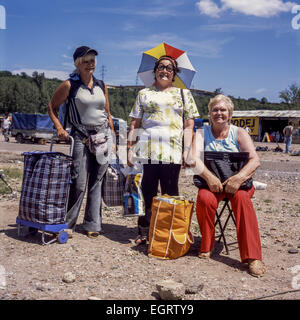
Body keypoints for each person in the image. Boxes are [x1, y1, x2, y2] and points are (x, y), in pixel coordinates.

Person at [127, 55, 199, 245]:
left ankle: (167, 231)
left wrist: (187, 150)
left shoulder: (184, 94)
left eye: (169, 68)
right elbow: (134, 123)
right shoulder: (144, 93)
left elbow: (189, 125)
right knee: (147, 191)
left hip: (172, 151)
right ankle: (144, 231)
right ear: (155, 70)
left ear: (174, 73)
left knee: (170, 192)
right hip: (147, 150)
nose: (165, 70)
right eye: (161, 66)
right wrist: (129, 149)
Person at [193, 94, 265, 277]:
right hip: (212, 184)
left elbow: (255, 160)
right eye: (215, 110)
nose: (219, 113)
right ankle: (207, 244)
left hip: (238, 185)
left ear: (230, 113)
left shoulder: (239, 133)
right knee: (204, 198)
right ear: (210, 113)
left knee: (241, 198)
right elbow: (192, 159)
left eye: (223, 110)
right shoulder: (201, 133)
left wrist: (238, 178)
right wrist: (209, 178)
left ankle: (253, 257)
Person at [48, 46, 114, 238]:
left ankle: (93, 225)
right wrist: (60, 128)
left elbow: (107, 111)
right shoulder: (70, 85)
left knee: (97, 181)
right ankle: (68, 223)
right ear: (77, 64)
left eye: (92, 60)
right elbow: (51, 107)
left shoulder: (102, 84)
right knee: (79, 181)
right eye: (85, 61)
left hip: (103, 136)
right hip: (80, 136)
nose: (90, 64)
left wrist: (113, 134)